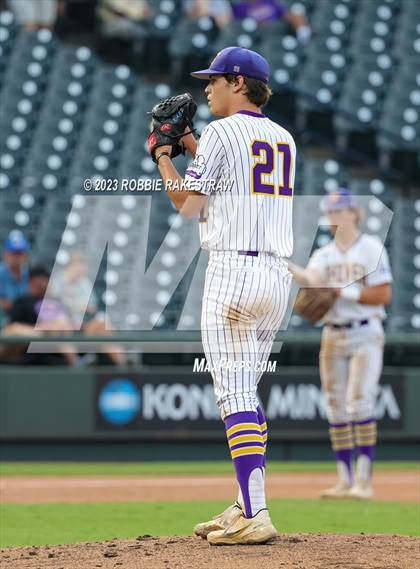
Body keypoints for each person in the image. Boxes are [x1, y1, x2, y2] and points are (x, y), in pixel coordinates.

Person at [148, 46, 296, 544]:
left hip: (232, 272)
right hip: (276, 278)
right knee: (246, 392)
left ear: (238, 82)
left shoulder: (220, 133)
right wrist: (192, 143)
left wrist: (164, 155)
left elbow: (189, 206)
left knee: (231, 393)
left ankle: (255, 511)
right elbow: (233, 183)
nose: (206, 87)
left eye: (214, 79)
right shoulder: (283, 137)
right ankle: (243, 503)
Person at [288, 189, 393, 500]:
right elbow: (313, 281)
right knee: (335, 408)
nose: (335, 218)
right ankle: (344, 481)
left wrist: (340, 292)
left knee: (359, 402)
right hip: (333, 333)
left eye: (340, 211)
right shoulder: (324, 254)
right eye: (331, 213)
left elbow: (383, 295)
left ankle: (364, 481)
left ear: (354, 213)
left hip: (366, 331)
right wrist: (288, 268)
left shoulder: (371, 248)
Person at [1, 265, 79, 365]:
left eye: (44, 280)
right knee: (16, 329)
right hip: (27, 341)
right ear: (31, 282)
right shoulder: (23, 301)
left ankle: (75, 362)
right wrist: (41, 329)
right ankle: (74, 361)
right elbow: (12, 327)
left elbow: (68, 324)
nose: (41, 283)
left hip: (55, 340)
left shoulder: (56, 301)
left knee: (60, 326)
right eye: (37, 280)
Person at [231, 0, 312, 45]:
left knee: (296, 14)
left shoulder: (270, 2)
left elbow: (284, 14)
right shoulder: (240, 7)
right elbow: (241, 27)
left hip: (279, 32)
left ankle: (304, 41)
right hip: (259, 37)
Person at [0, 231, 30, 318]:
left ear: (26, 255)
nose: (17, 257)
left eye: (20, 253)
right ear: (6, 254)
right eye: (14, 253)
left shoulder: (30, 275)